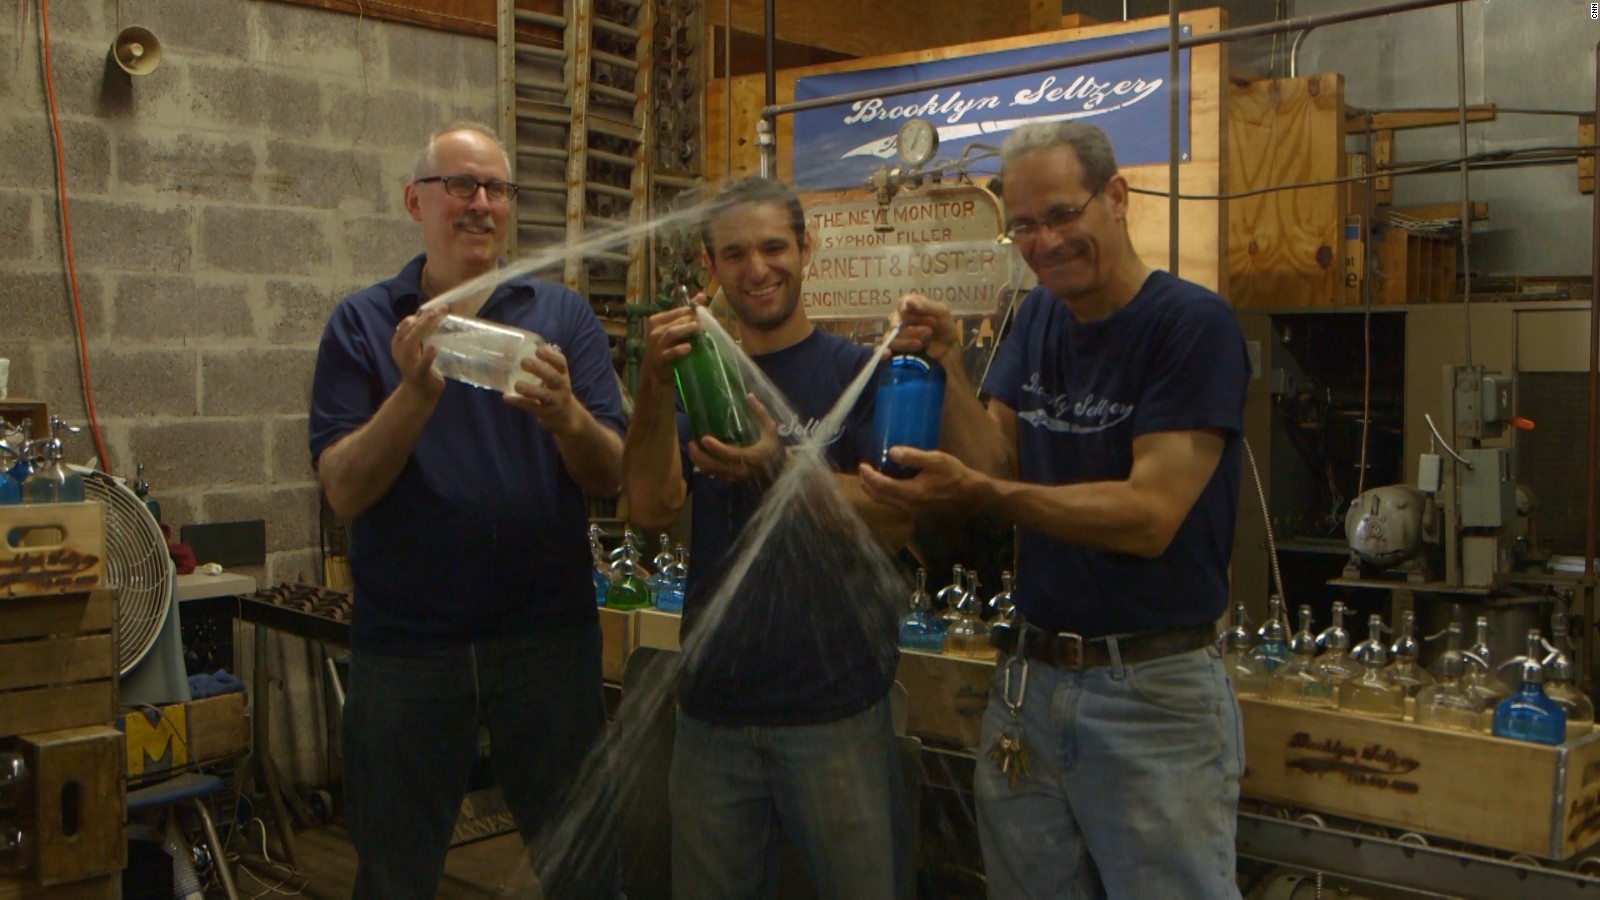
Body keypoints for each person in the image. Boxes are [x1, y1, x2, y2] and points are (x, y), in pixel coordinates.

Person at [860, 122, 1249, 898]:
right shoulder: (1035, 320)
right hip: (1028, 685)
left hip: (1149, 693)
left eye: (1063, 215)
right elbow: (997, 459)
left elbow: (1149, 515)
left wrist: (984, 496)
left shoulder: (1191, 327)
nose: (1045, 243)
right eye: (1026, 226)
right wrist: (950, 370)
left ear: (1116, 197)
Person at [309, 121, 625, 898]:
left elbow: (612, 474)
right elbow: (344, 488)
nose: (481, 203)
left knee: (584, 869)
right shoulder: (362, 324)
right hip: (409, 648)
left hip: (547, 642)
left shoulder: (560, 316)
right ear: (416, 199)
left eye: (496, 189)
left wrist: (565, 416)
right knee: (394, 875)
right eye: (461, 185)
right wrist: (414, 393)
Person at [623, 176, 914, 899]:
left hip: (835, 714)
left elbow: (893, 517)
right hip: (711, 716)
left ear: (807, 249)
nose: (757, 269)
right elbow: (650, 506)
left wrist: (779, 465)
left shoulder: (859, 374)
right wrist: (655, 387)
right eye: (736, 253)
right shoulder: (700, 377)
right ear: (710, 264)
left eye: (774, 247)